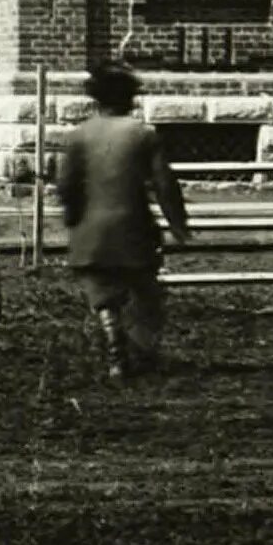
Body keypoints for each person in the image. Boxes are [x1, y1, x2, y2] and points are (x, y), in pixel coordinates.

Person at [51, 62, 191, 380]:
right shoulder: (143, 134)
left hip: (91, 232)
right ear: (129, 99)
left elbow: (67, 186)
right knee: (145, 293)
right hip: (133, 230)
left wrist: (73, 220)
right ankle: (142, 351)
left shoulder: (79, 136)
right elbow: (164, 184)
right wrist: (177, 223)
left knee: (102, 294)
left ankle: (115, 350)